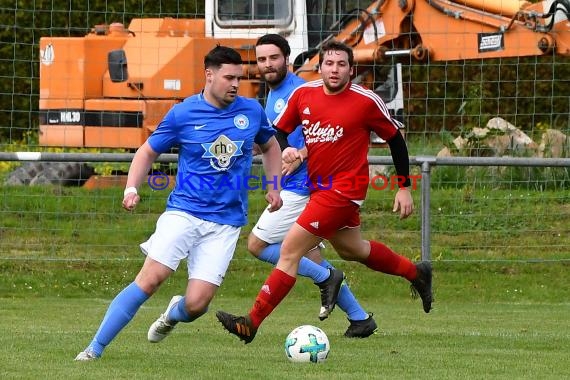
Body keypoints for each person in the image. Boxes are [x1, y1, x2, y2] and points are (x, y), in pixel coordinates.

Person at [216, 40, 433, 344]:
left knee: (290, 250)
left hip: (344, 191)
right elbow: (278, 132)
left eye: (341, 64)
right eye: (329, 64)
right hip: (319, 189)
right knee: (352, 250)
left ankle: (251, 322)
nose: (334, 69)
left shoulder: (365, 100)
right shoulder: (303, 95)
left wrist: (404, 187)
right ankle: (416, 273)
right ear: (320, 67)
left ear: (351, 69)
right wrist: (289, 148)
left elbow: (396, 139)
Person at [74, 45, 283, 361]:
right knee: (150, 279)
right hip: (184, 212)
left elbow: (270, 147)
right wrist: (131, 188)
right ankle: (94, 349)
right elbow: (147, 151)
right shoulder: (184, 113)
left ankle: (172, 314)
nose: (235, 84)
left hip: (226, 222)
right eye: (228, 77)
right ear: (209, 75)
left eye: (238, 78)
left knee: (197, 304)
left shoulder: (251, 111)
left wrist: (274, 186)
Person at [249, 34, 377, 338]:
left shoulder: (299, 90)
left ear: (288, 60)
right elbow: (276, 141)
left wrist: (298, 160)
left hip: (306, 186)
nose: (268, 65)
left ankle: (327, 278)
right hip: (298, 186)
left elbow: (323, 136)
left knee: (257, 244)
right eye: (262, 60)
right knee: (308, 254)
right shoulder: (274, 94)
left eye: (274, 58)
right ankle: (360, 318)